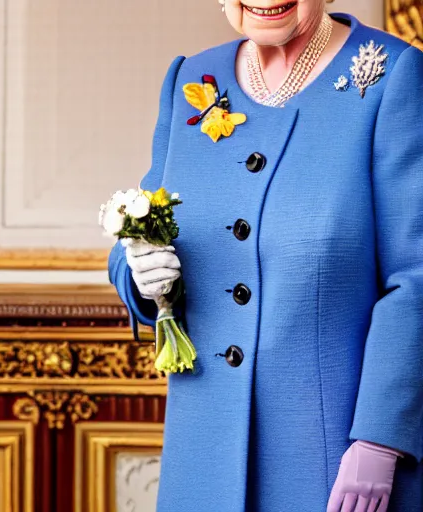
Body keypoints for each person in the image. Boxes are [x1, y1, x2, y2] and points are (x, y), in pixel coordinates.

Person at [108, 1, 423, 510]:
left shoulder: (392, 77)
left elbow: (418, 275)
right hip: (202, 460)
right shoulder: (193, 76)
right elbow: (143, 225)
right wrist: (139, 274)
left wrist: (380, 439)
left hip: (333, 464)